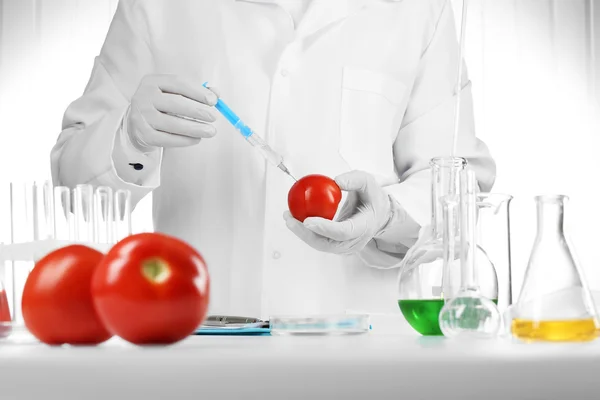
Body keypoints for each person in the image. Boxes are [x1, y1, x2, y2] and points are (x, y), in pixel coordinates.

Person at [51, 0, 495, 320]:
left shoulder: (418, 10)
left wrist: (389, 216)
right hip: (200, 346)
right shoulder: (157, 8)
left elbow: (457, 182)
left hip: (362, 353)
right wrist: (128, 138)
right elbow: (74, 184)